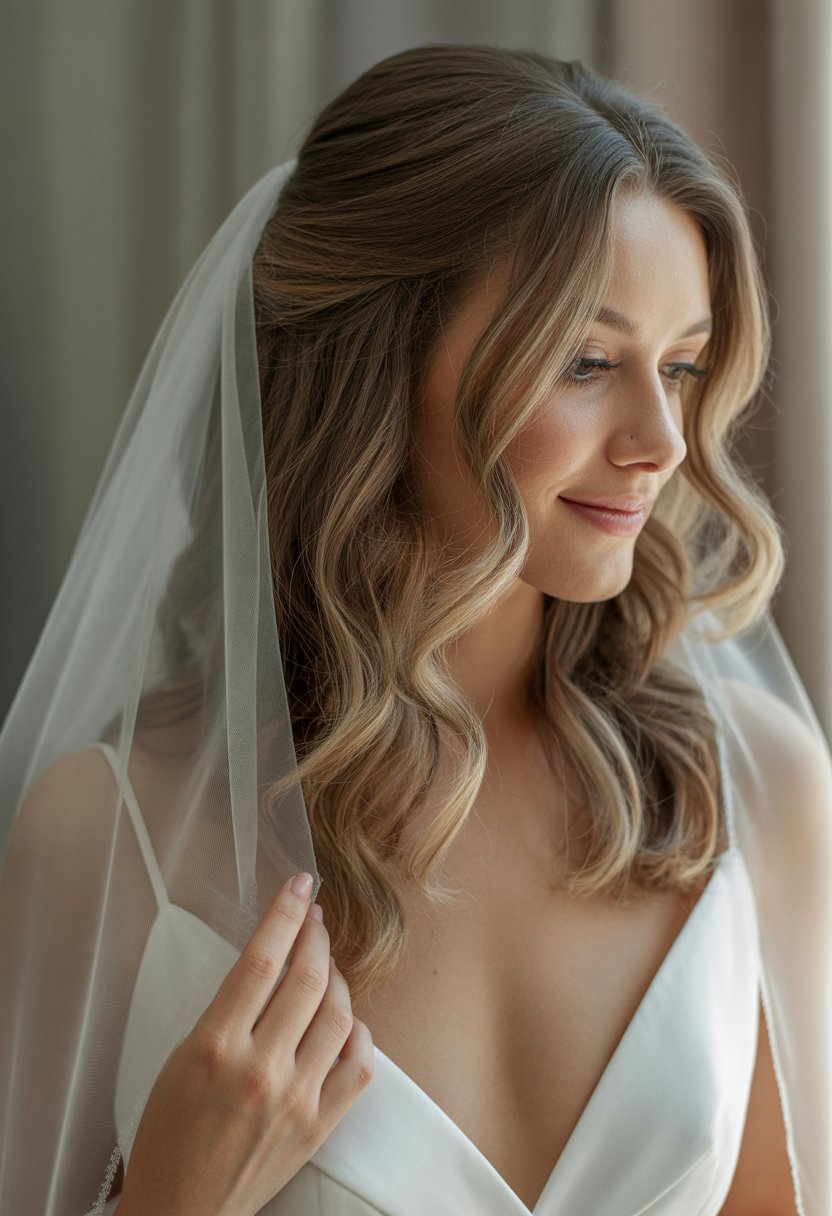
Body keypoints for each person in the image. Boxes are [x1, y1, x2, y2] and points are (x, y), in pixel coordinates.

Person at [0, 42, 829, 1216]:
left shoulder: (754, 794)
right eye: (588, 361)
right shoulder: (109, 836)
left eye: (683, 368)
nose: (663, 439)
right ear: (376, 365)